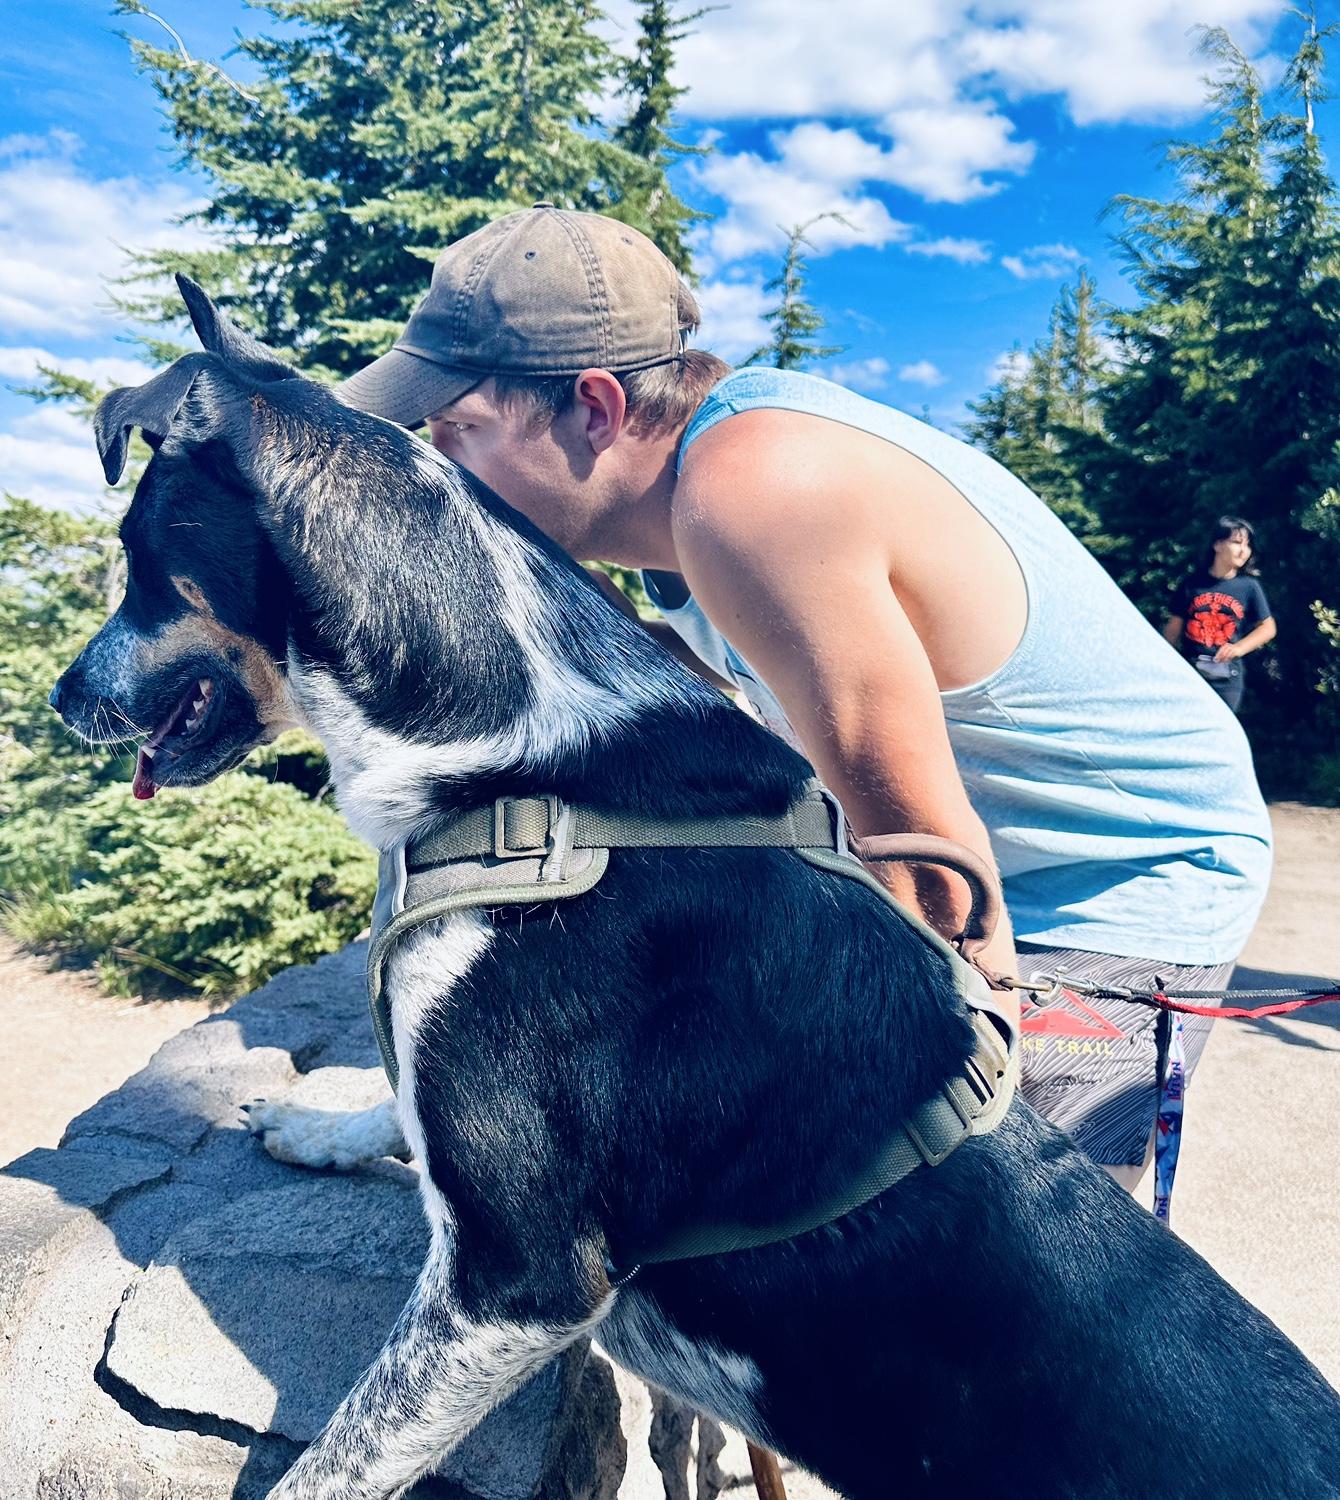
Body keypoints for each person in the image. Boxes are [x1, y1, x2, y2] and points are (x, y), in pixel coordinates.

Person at [339, 204, 1272, 1191]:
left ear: (597, 410)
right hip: (1000, 852)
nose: (440, 466)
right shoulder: (680, 516)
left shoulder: (757, 490)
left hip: (1129, 876)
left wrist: (955, 1065)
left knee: (1001, 1243)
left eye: (462, 429)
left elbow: (932, 872)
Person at [1163, 516, 1276, 713]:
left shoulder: (1249, 586)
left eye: (1248, 545)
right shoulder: (1191, 584)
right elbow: (1173, 631)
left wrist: (1239, 648)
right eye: (1237, 542)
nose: (1244, 551)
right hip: (1191, 675)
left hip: (1227, 680)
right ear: (1217, 544)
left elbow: (1268, 628)